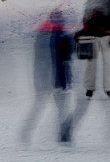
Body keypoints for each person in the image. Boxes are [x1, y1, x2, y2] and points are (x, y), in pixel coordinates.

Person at [21, 9, 75, 144]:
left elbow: (39, 60)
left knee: (40, 107)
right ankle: (64, 136)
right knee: (61, 108)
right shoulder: (61, 35)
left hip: (45, 80)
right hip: (56, 80)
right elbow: (68, 55)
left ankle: (26, 132)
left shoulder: (42, 35)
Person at [78, 0, 110, 98]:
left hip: (106, 36)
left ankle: (109, 88)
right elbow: (85, 18)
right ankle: (89, 88)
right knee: (91, 63)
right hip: (93, 37)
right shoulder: (90, 0)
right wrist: (85, 32)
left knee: (108, 63)